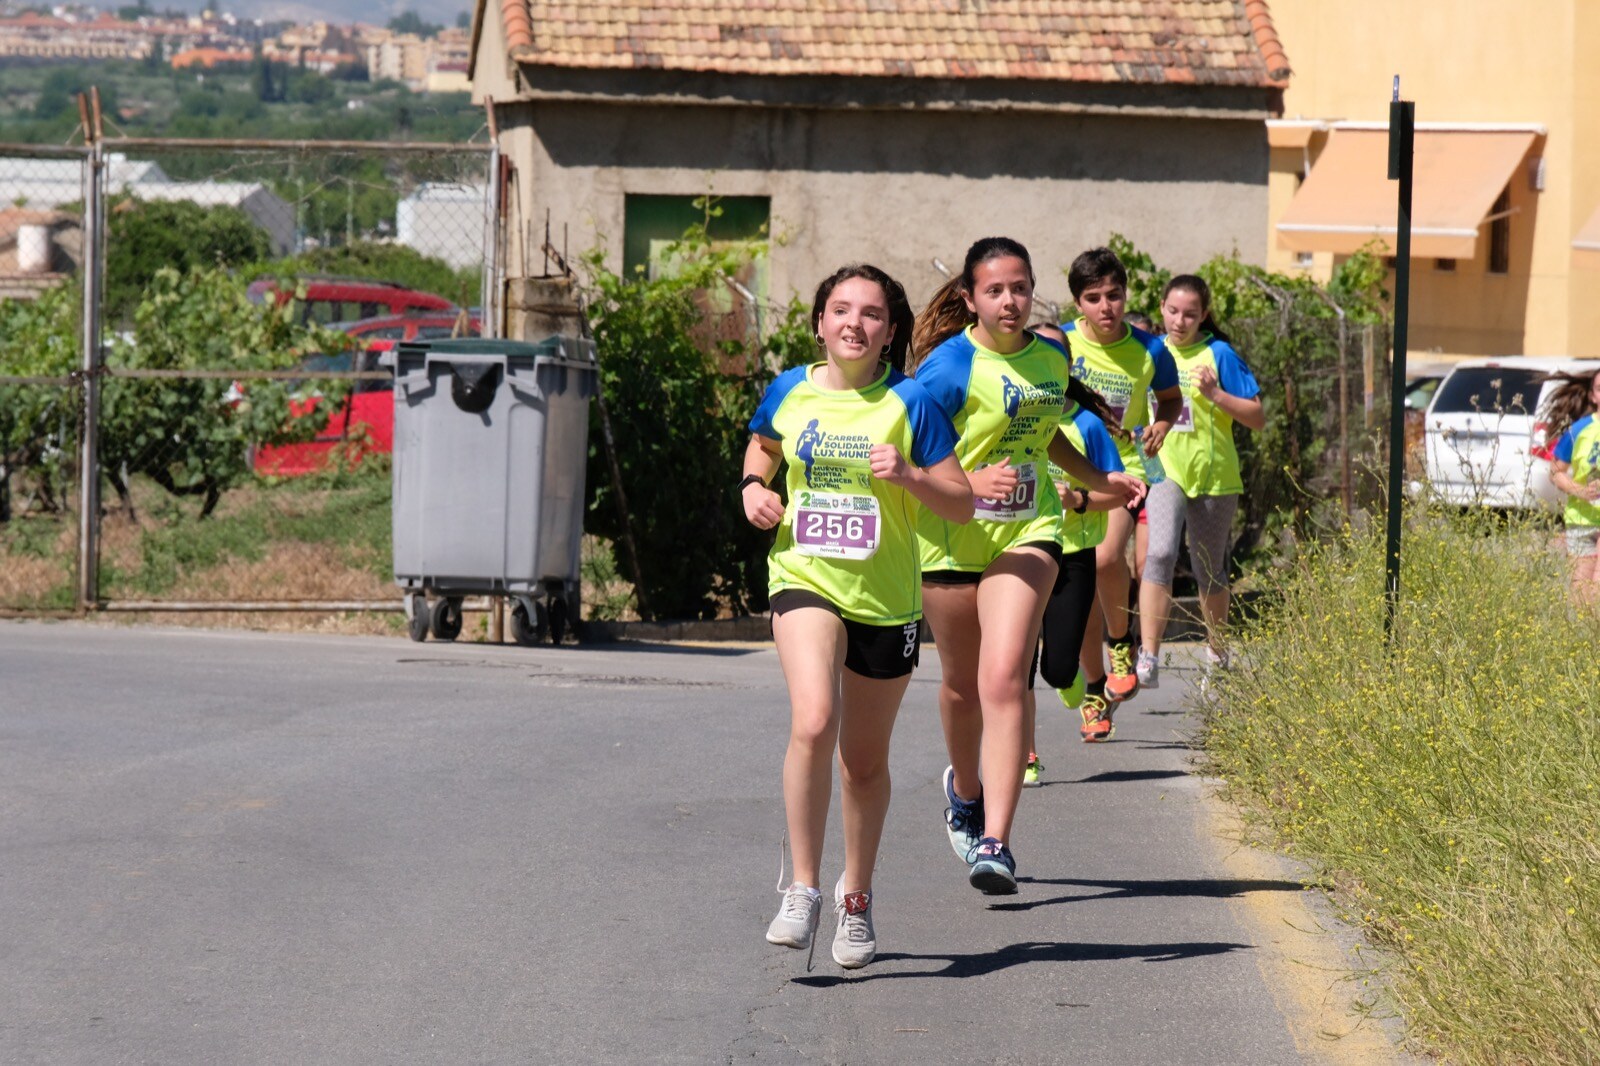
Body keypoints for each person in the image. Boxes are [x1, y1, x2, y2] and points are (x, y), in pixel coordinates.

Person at [744, 263, 974, 969]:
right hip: (804, 575)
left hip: (886, 599)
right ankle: (804, 889)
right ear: (819, 322)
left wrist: (908, 475)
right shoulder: (789, 388)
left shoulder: (910, 403)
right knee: (814, 717)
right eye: (840, 309)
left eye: (871, 313)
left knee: (863, 763)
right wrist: (754, 487)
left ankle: (857, 897)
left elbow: (961, 501)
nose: (854, 323)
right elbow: (763, 443)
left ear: (890, 330)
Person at [911, 238, 1145, 893]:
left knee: (1006, 674)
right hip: (953, 538)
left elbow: (1048, 435)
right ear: (970, 299)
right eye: (995, 291)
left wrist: (1105, 478)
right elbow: (907, 445)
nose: (1009, 301)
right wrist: (965, 480)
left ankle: (996, 841)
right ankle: (964, 790)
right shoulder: (947, 369)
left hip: (1030, 527)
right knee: (961, 687)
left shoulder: (1048, 359)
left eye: (1019, 288)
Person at [1060, 248, 1182, 738]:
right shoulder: (1059, 344)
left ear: (1125, 295)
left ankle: (1120, 641)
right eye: (1093, 298)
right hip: (1062, 468)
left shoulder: (1151, 350)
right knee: (1077, 586)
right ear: (1077, 304)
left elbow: (1170, 400)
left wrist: (1162, 426)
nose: (1106, 307)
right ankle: (1093, 693)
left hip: (1120, 469)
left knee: (1107, 557)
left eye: (1114, 295)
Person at [1136, 275, 1265, 680]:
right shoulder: (1151, 353)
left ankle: (1216, 652)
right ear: (1161, 308)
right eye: (1173, 311)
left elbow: (1257, 417)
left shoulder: (1220, 354)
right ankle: (1149, 654)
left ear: (1204, 315)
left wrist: (1217, 397)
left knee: (1207, 567)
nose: (1180, 320)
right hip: (1165, 471)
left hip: (1214, 476)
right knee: (1158, 554)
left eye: (1190, 313)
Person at [1019, 320, 1129, 778]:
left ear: (1065, 365)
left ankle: (1075, 681)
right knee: (1017, 663)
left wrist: (1078, 499)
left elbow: (1117, 491)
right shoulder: (1012, 415)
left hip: (1073, 551)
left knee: (1057, 669)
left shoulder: (1085, 424)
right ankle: (1024, 755)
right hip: (1019, 547)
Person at [1545, 368, 1600, 603]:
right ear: (1593, 396)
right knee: (1581, 593)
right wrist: (1580, 491)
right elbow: (1556, 472)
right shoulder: (1578, 430)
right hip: (1581, 519)